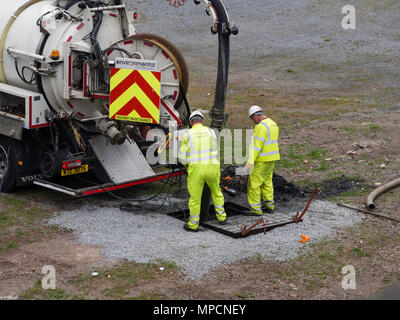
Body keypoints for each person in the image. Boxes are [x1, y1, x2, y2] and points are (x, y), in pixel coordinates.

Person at [178, 111, 227, 232]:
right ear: (202, 120)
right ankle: (222, 218)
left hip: (196, 169)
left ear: (191, 122)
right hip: (212, 167)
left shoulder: (187, 134)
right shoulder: (211, 132)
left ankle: (193, 225)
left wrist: (188, 167)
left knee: (195, 198)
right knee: (217, 192)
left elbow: (182, 157)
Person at [246, 105, 280, 216]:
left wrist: (250, 162)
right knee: (267, 182)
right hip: (272, 159)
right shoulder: (273, 124)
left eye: (252, 119)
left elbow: (256, 147)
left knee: (254, 184)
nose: (253, 122)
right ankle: (269, 206)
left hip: (261, 160)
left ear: (255, 116)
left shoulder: (260, 127)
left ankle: (256, 210)